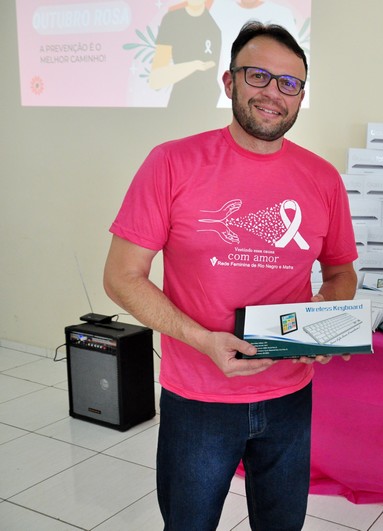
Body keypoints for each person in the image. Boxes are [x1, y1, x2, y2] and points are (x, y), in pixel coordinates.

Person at [104, 22, 358, 531]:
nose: (273, 93)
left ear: (300, 96)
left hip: (289, 396)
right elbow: (121, 277)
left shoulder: (323, 178)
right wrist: (202, 340)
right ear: (229, 81)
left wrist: (320, 325)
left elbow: (340, 273)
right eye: (258, 76)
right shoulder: (172, 162)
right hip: (199, 397)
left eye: (289, 83)